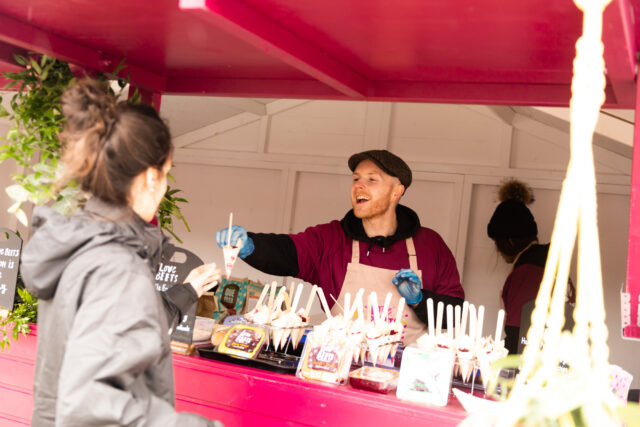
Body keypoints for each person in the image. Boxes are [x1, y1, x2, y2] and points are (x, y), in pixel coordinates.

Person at [20, 79, 222, 427]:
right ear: (149, 178)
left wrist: (186, 292)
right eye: (167, 173)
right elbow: (92, 406)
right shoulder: (116, 265)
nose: (165, 186)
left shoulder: (83, 246)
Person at [216, 149, 464, 344]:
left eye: (371, 179)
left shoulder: (431, 245)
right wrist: (249, 244)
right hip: (337, 365)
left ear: (396, 192)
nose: (358, 185)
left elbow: (454, 310)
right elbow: (288, 252)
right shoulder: (331, 238)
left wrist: (420, 300)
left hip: (405, 376)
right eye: (356, 178)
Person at [487, 179, 575, 354]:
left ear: (509, 241)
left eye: (497, 242)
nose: (497, 250)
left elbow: (519, 336)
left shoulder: (527, 274)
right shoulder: (548, 265)